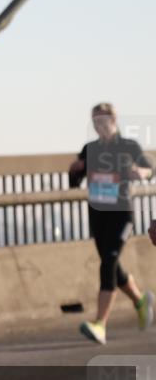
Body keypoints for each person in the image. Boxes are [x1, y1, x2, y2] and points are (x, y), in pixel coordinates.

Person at [68, 103, 153, 344]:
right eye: (95, 122)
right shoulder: (90, 149)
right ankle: (140, 301)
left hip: (121, 214)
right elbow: (75, 180)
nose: (99, 126)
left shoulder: (128, 147)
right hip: (98, 216)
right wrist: (75, 170)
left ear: (114, 122)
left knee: (107, 264)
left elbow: (150, 168)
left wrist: (140, 172)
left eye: (103, 121)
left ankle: (100, 324)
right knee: (112, 265)